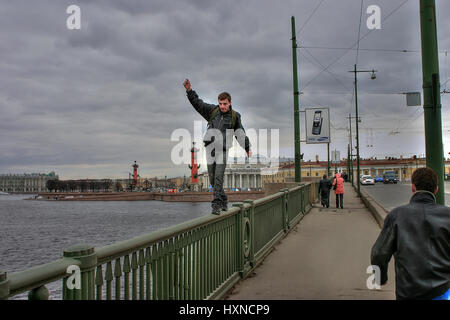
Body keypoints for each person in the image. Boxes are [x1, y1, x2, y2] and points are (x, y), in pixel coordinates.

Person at [371, 167, 450, 300]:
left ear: (413, 187)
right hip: (442, 290)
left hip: (408, 291)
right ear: (436, 189)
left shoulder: (396, 215)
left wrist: (380, 278)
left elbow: (378, 253)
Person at [184, 79, 251, 215]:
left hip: (223, 150)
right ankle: (224, 199)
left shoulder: (234, 116)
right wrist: (190, 91)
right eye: (220, 103)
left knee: (219, 177)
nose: (222, 106)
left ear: (229, 102)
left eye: (225, 104)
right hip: (210, 149)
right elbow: (198, 104)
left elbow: (240, 133)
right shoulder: (213, 111)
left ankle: (216, 205)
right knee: (214, 180)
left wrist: (247, 147)